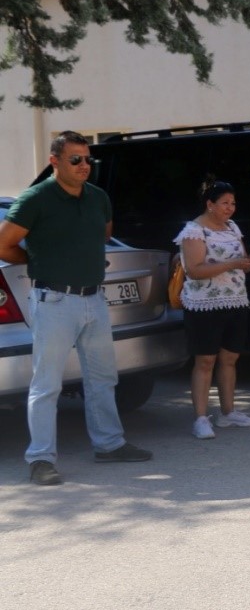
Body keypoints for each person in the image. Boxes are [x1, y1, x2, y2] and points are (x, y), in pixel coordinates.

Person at [0, 131, 153, 485]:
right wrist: (38, 262)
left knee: (103, 378)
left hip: (94, 300)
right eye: (75, 160)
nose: (84, 166)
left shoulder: (98, 197)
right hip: (54, 301)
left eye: (88, 160)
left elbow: (104, 234)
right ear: (54, 161)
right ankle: (41, 459)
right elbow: (4, 244)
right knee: (47, 384)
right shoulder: (36, 199)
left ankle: (109, 444)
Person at [176, 179, 250, 440]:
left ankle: (228, 412)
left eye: (233, 203)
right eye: (224, 203)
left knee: (229, 358)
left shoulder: (232, 227)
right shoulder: (194, 231)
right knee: (205, 361)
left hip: (235, 299)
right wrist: (232, 264)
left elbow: (241, 263)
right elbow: (194, 270)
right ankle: (201, 418)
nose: (230, 208)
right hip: (204, 304)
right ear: (210, 204)